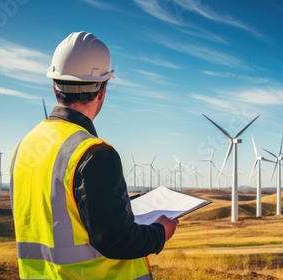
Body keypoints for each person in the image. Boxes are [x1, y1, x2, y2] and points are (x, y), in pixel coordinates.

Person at [9, 31, 178, 279]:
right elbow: (117, 241)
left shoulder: (23, 147)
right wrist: (160, 232)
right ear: (102, 91)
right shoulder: (94, 153)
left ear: (54, 87)